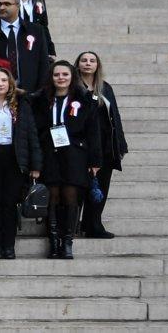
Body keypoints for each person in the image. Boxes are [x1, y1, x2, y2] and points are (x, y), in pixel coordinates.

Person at [35, 60, 100, 259]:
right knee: (52, 195)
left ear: (72, 77)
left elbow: (93, 130)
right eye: (57, 75)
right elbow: (35, 129)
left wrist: (94, 160)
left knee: (71, 195)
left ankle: (68, 241)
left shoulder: (84, 99)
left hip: (75, 154)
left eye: (65, 74)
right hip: (50, 153)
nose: (61, 78)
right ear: (51, 77)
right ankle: (54, 241)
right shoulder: (41, 99)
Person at [0, 68, 41, 259]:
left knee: (9, 203)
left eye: (4, 80)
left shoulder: (21, 104)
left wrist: (35, 164)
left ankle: (9, 246)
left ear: (10, 83)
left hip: (14, 159)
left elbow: (31, 135)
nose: (0, 84)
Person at [76, 51, 126, 240]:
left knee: (101, 187)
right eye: (84, 60)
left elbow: (115, 117)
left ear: (97, 65)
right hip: (81, 144)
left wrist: (120, 143)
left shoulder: (105, 88)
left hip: (105, 145)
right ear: (78, 64)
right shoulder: (73, 86)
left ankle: (93, 223)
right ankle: (74, 223)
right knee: (79, 187)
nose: (88, 64)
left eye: (92, 61)